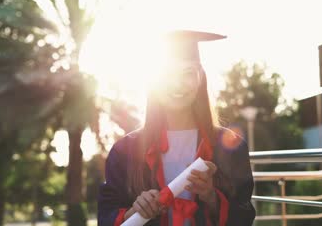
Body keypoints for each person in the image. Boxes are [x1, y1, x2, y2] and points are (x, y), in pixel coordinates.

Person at [98, 30, 255, 226]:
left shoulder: (230, 147)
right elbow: (106, 216)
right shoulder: (125, 151)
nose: (177, 84)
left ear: (200, 79)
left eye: (188, 73)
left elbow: (245, 216)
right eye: (167, 75)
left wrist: (211, 197)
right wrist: (134, 212)